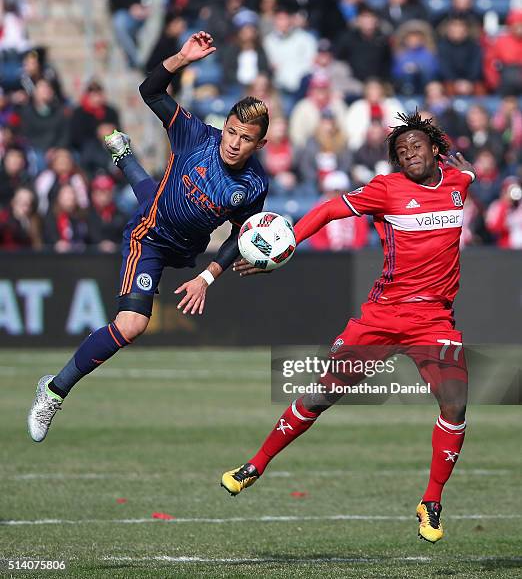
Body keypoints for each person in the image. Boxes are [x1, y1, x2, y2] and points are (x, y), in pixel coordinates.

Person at [223, 111, 476, 545]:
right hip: (382, 315)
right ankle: (255, 464)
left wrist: (437, 135)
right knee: (322, 395)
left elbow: (462, 164)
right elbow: (325, 210)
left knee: (456, 406)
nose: (409, 153)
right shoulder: (386, 189)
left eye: (416, 145)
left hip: (433, 319)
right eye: (401, 151)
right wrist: (284, 247)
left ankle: (431, 500)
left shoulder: (459, 183)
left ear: (435, 150)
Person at [27, 32, 269, 442]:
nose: (234, 143)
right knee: (132, 325)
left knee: (157, 195)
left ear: (259, 143)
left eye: (246, 139)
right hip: (150, 239)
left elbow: (239, 235)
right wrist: (181, 58)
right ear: (224, 126)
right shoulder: (196, 136)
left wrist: (209, 275)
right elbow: (149, 90)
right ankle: (53, 390)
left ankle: (124, 157)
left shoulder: (254, 185)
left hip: (188, 247)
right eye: (231, 131)